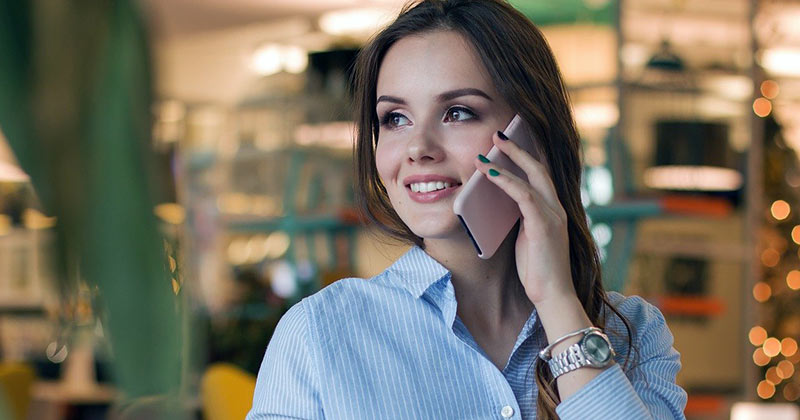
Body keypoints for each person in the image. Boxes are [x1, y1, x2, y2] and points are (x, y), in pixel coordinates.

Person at [247, 0, 687, 418]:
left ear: (530, 135)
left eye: (457, 112)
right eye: (395, 119)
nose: (418, 149)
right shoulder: (320, 333)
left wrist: (557, 303)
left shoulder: (633, 332)